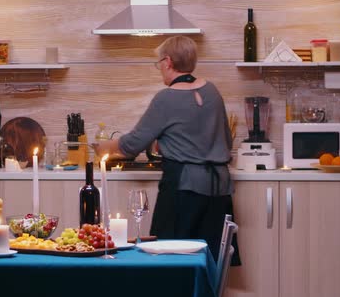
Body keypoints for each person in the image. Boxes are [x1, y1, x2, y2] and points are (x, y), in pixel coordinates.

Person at [93, 36, 240, 265]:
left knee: (169, 261)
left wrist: (103, 146)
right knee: (210, 260)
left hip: (184, 189)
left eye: (158, 63)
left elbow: (131, 145)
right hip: (219, 190)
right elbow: (224, 141)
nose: (159, 68)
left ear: (168, 62)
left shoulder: (166, 98)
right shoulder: (212, 91)